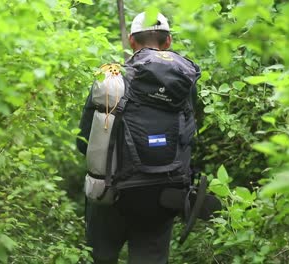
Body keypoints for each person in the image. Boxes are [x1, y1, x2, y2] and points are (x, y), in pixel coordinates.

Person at [77, 12, 201, 264]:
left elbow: (83, 143)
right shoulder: (185, 82)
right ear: (168, 42)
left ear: (131, 42)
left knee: (101, 257)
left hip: (113, 192)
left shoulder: (112, 79)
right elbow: (191, 135)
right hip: (163, 194)